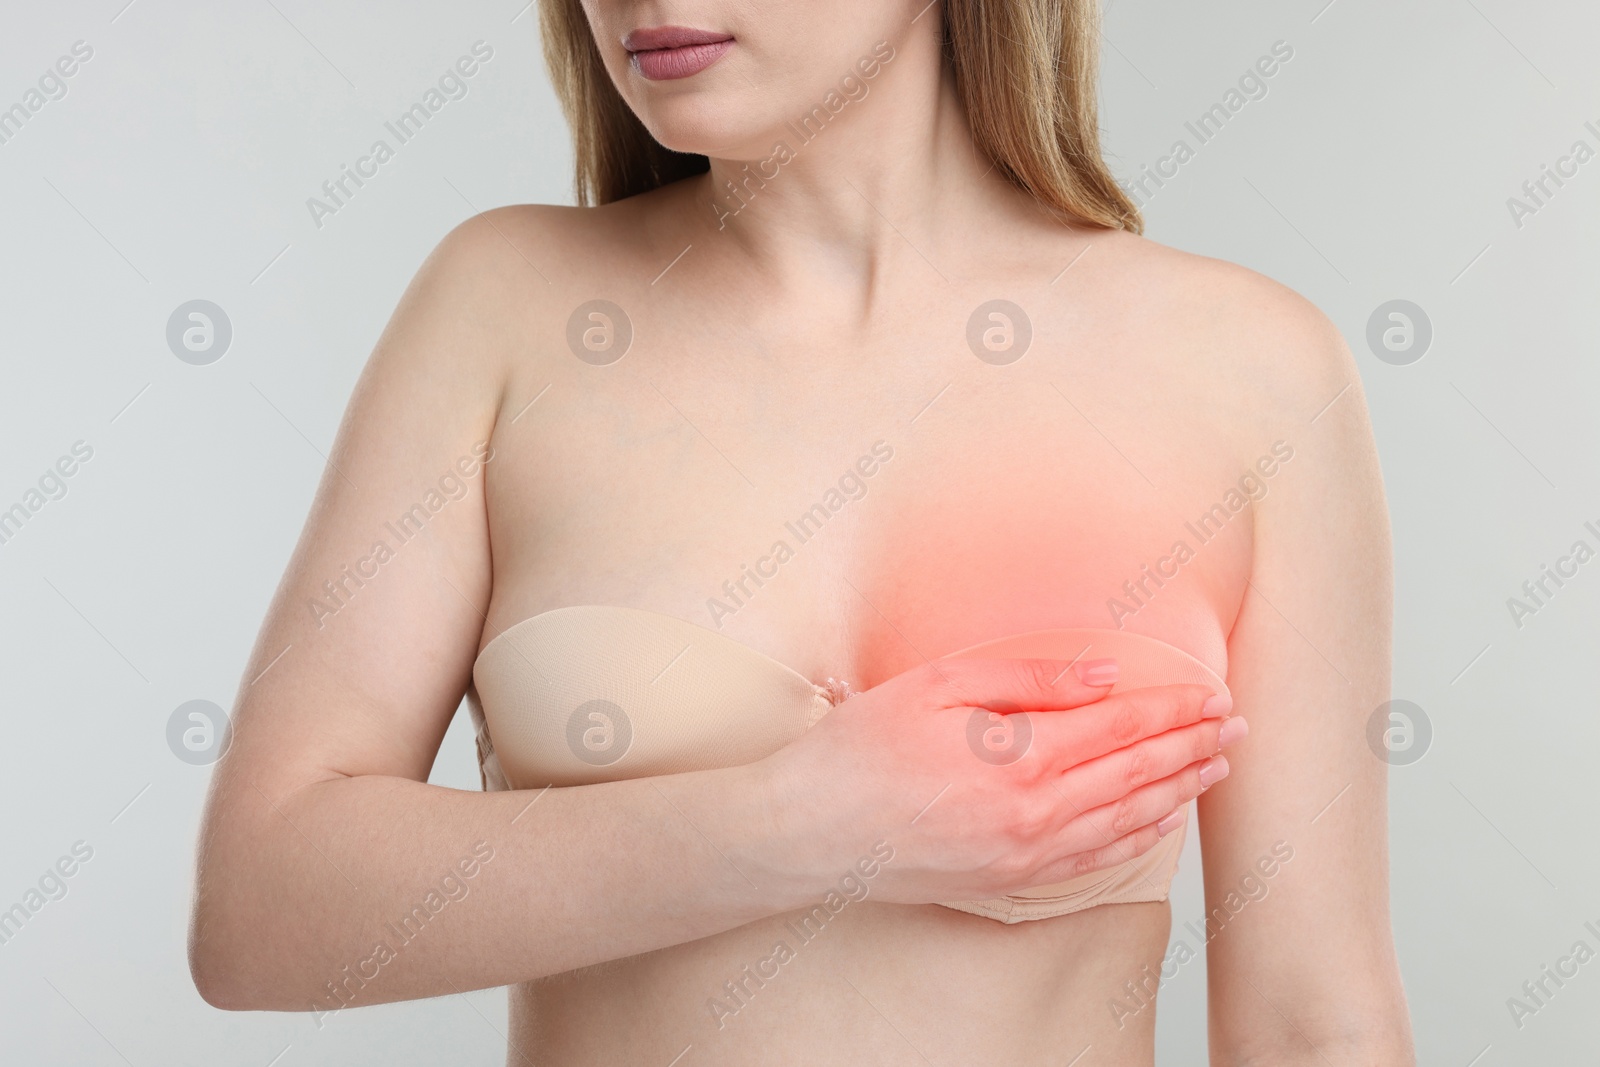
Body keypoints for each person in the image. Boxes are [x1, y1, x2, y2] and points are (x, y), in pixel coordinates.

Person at [188, 1, 1415, 1063]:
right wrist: (806, 824)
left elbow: (1312, 1028)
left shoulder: (1247, 372)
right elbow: (259, 903)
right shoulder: (507, 304)